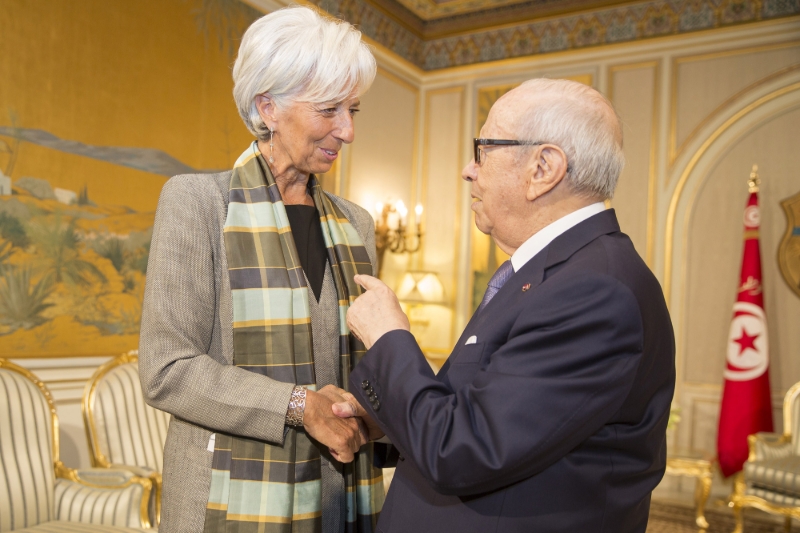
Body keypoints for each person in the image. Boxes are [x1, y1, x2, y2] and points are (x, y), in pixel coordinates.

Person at [336, 78, 676, 532]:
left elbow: (461, 451)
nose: (468, 170)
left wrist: (389, 338)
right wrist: (388, 418)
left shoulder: (594, 291)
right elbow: (493, 416)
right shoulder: (555, 272)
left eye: (483, 149)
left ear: (544, 168)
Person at [139, 7, 385, 533]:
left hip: (336, 497)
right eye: (329, 109)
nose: (347, 131)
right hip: (222, 502)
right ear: (266, 106)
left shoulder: (357, 224)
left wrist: (374, 408)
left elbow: (364, 366)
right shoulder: (197, 204)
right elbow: (167, 370)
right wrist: (299, 406)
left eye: (353, 109)